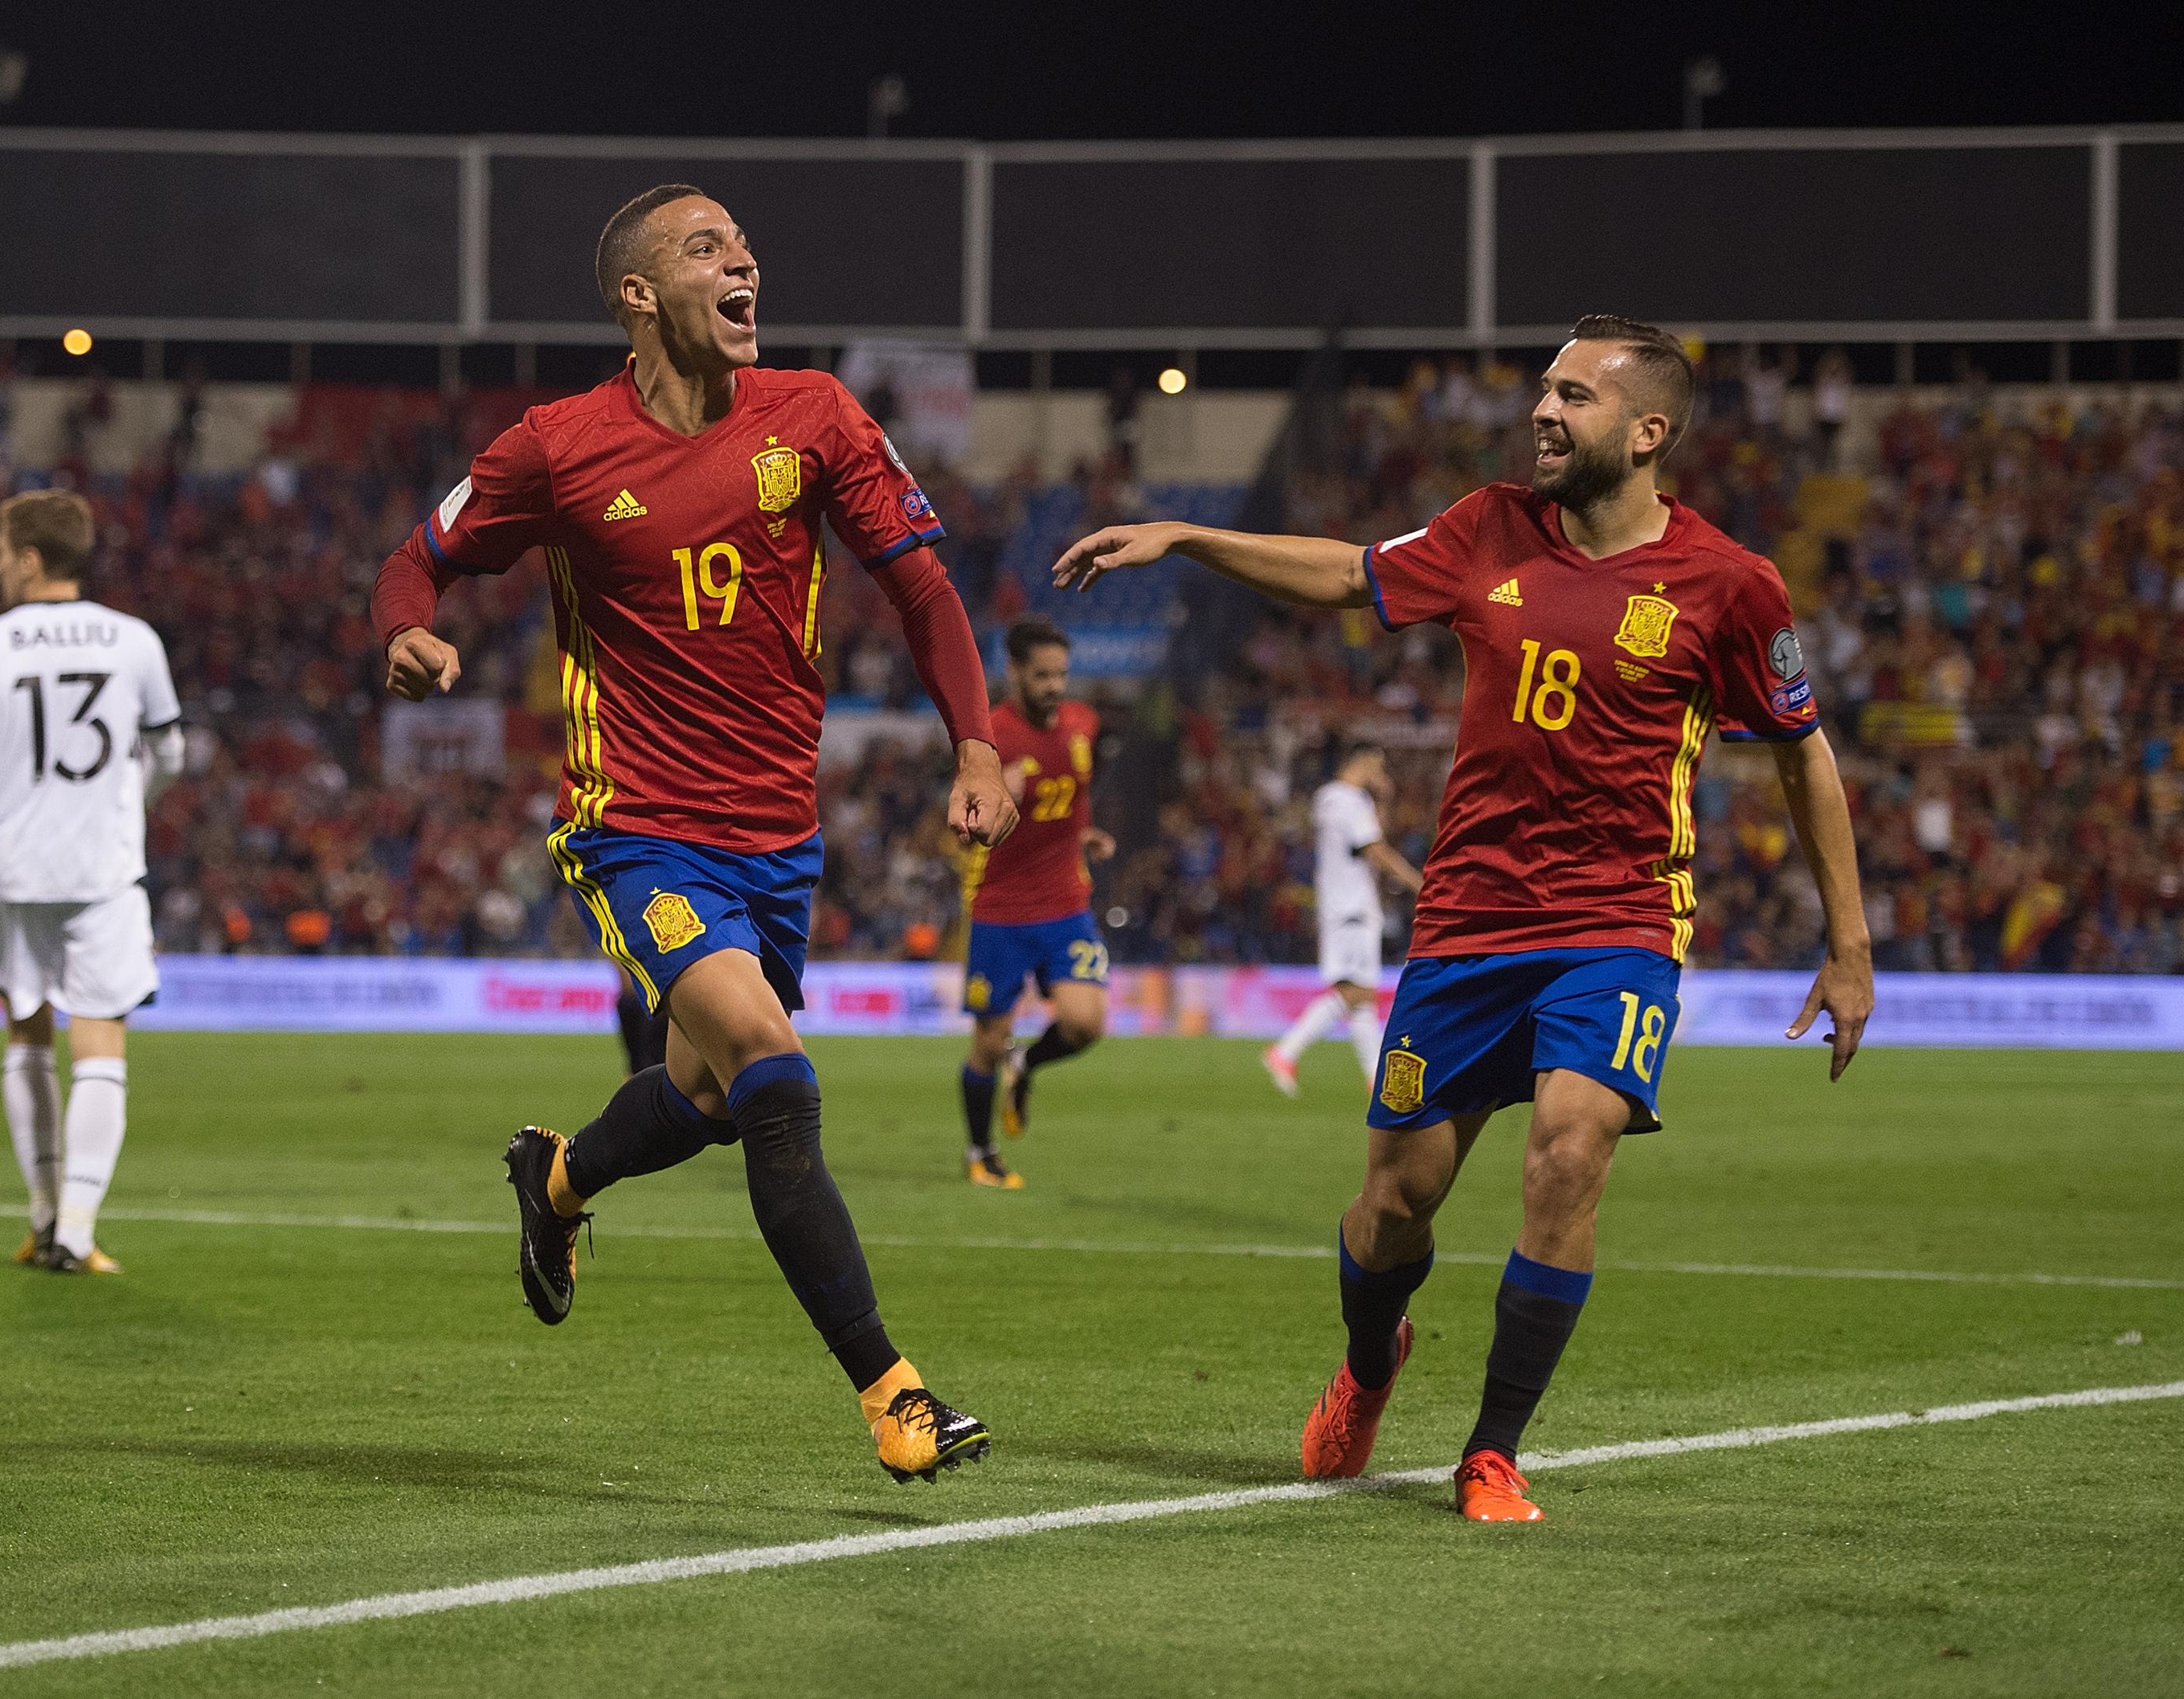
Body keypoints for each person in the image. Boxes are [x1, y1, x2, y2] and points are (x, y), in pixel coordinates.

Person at [1054, 316, 1872, 1522]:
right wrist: (1186, 536)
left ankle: (1492, 1449)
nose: (1545, 411)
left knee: (1570, 1147)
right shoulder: (1485, 527)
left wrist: (1849, 945)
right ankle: (1372, 1363)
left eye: (1576, 396)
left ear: (1648, 432)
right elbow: (1346, 574)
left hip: (1620, 920)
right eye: (1544, 390)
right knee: (1395, 1206)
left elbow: (1804, 755)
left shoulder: (1730, 585)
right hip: (1468, 923)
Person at [374, 184, 1017, 1484]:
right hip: (640, 827)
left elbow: (920, 584)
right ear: (638, 294)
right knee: (776, 1068)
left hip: (781, 836)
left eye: (742, 246)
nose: (744, 261)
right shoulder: (556, 447)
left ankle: (555, 1178)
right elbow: (418, 554)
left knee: (711, 1095)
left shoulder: (816, 416)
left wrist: (979, 739)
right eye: (705, 247)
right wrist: (406, 625)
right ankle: (892, 1390)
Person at [0, 490, 185, 1275]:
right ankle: (78, 1229)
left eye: (4, 549)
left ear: (33, 558)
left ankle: (42, 1217)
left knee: (25, 1034)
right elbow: (171, 754)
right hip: (101, 868)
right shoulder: (134, 639)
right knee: (101, 1042)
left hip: (14, 868)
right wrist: (125, 809)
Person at [955, 615, 1115, 1189]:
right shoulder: (987, 740)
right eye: (1043, 675)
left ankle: (1026, 1064)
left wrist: (1086, 835)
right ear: (1014, 671)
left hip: (1066, 901)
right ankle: (981, 1153)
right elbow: (956, 830)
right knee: (987, 1042)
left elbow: (1077, 799)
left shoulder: (1083, 725)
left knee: (1086, 1022)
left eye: (1062, 675)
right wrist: (994, 802)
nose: (1055, 687)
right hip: (1000, 909)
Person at [1262, 743, 1421, 1099]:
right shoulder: (1349, 801)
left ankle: (1375, 1079)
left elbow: (1372, 836)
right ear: (1363, 762)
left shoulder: (1327, 798)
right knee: (1356, 993)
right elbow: (1376, 848)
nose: (1380, 776)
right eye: (1377, 768)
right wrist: (1417, 882)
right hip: (1352, 907)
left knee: (1361, 999)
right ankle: (1286, 1051)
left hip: (1340, 904)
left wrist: (1382, 801)